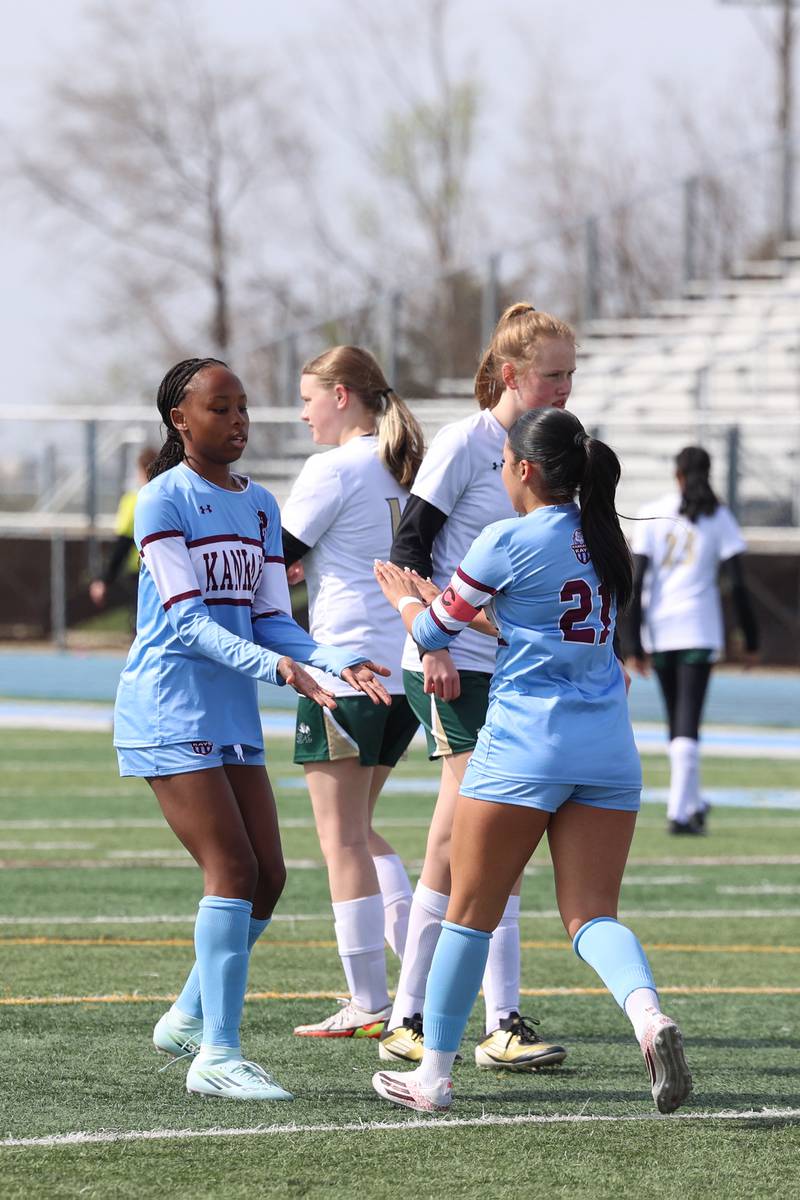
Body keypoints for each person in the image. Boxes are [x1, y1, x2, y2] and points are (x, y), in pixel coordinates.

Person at [371, 406, 693, 1116]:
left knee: (469, 912)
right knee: (590, 916)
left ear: (523, 469)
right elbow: (547, 622)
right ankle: (647, 1016)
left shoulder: (506, 538)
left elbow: (431, 631)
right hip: (608, 750)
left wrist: (405, 600)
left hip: (525, 745)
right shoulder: (604, 537)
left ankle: (434, 1076)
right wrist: (464, 610)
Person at [112, 357, 390, 1102]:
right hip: (169, 706)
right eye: (220, 408)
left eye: (243, 408)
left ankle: (185, 1016)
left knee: (269, 877)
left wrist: (332, 659)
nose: (238, 421)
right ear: (181, 420)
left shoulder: (260, 504)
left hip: (229, 711)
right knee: (231, 872)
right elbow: (188, 621)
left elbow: (270, 618)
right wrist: (282, 672)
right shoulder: (162, 500)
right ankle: (217, 1055)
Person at [379, 304, 573, 1071]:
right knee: (485, 838)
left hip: (513, 672)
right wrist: (435, 643)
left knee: (461, 839)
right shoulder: (467, 445)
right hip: (451, 662)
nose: (564, 387)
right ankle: (491, 1019)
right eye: (553, 374)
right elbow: (408, 546)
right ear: (513, 376)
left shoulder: (553, 450)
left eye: (569, 373)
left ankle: (418, 1016)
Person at [279, 346, 424, 1038]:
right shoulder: (401, 464)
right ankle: (414, 979)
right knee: (362, 833)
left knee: (340, 842)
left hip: (343, 674)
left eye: (308, 397)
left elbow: (272, 555)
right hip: (403, 673)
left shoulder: (332, 467)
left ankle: (370, 1000)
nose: (302, 412)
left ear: (342, 395)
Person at [628, 445, 758, 834]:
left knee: (677, 720)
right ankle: (680, 812)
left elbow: (635, 582)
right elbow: (737, 583)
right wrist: (750, 638)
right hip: (699, 630)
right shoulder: (718, 516)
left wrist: (632, 642)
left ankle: (691, 802)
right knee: (687, 721)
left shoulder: (653, 513)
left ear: (677, 473)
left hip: (659, 629)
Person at [89, 446, 157, 630]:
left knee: (142, 629)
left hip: (143, 574)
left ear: (143, 471)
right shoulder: (177, 497)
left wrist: (104, 579)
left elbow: (123, 544)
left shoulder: (135, 500)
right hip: (172, 576)